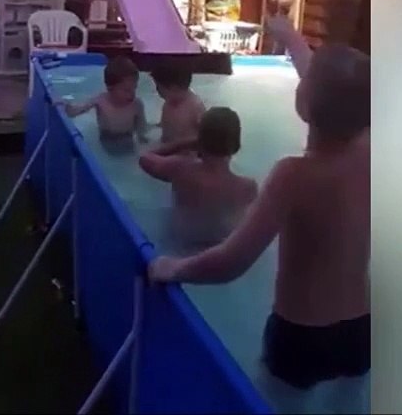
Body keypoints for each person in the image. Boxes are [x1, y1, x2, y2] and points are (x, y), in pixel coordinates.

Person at [148, 19, 371, 391]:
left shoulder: (294, 175)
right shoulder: (369, 151)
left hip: (302, 334)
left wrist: (173, 268)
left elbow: (231, 262)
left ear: (304, 103)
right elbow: (334, 93)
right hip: (362, 328)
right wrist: (289, 37)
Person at [139, 106, 258, 248]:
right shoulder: (247, 188)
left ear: (200, 141)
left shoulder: (180, 169)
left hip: (180, 243)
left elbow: (144, 158)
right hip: (219, 249)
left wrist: (186, 142)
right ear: (236, 145)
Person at [60, 55, 149, 141]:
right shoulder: (100, 101)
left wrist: (143, 139)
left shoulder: (137, 105)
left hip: (127, 140)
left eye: (135, 88)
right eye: (126, 90)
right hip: (106, 139)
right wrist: (65, 105)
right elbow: (74, 112)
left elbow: (142, 128)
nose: (132, 94)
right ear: (110, 88)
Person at [150, 62, 206, 144]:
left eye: (158, 87)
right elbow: (165, 127)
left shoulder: (195, 106)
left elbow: (206, 134)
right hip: (169, 148)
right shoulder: (168, 103)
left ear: (173, 88)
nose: (157, 90)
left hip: (188, 151)